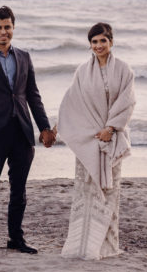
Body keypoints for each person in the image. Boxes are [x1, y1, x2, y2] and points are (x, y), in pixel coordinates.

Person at [0, 5, 56, 257]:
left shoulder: (24, 57)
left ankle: (15, 238)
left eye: (7, 27)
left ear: (13, 28)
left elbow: (33, 96)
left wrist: (45, 127)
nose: (3, 32)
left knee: (19, 190)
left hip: (22, 133)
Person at [57, 22, 136, 259]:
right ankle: (81, 246)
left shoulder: (124, 70)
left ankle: (105, 247)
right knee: (86, 192)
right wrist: (54, 128)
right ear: (89, 44)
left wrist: (110, 128)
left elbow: (127, 102)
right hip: (89, 140)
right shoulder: (82, 71)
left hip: (111, 139)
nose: (98, 45)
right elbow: (72, 103)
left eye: (103, 40)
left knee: (109, 191)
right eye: (94, 42)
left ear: (111, 42)